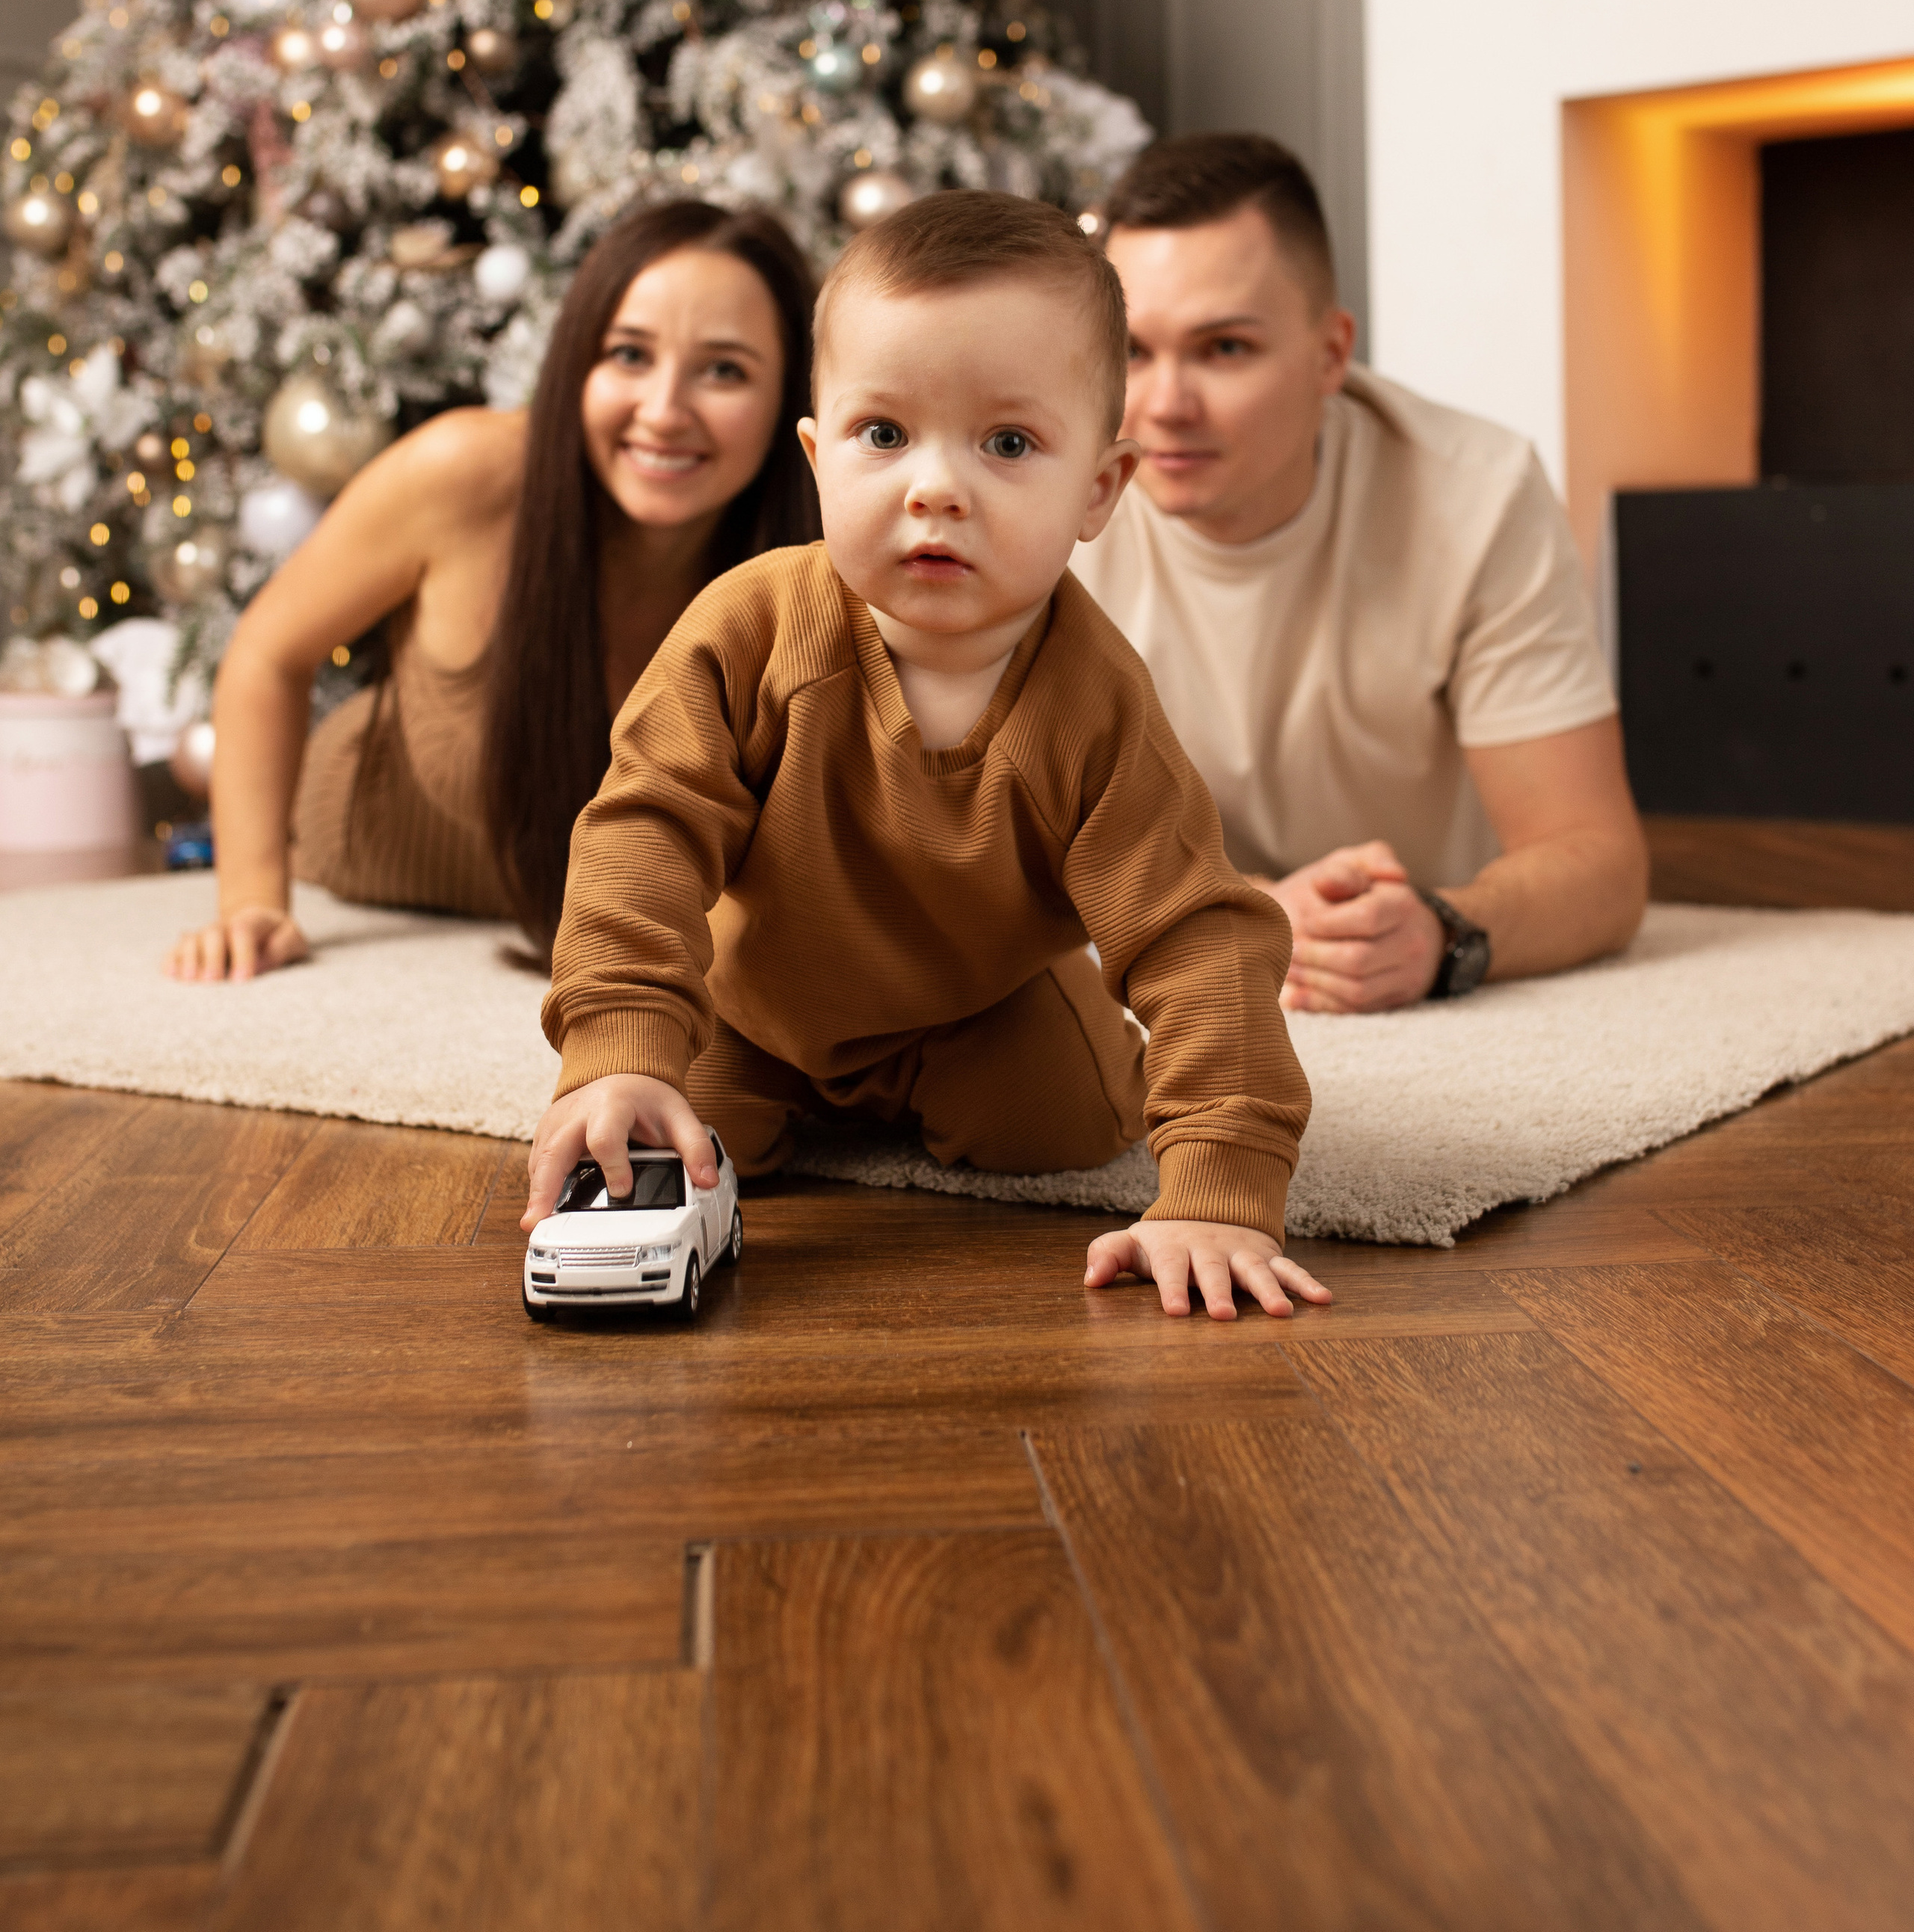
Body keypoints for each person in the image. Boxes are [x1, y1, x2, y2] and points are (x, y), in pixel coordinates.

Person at [523, 190, 1329, 1324]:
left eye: (1007, 443)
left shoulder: (1094, 704)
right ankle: (724, 1078)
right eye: (883, 435)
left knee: (1050, 1128)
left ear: (1099, 490)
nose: (933, 487)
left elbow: (1200, 933)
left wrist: (1220, 1189)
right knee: (672, 1132)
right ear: (818, 459)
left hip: (981, 1004)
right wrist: (618, 1042)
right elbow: (644, 827)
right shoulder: (750, 629)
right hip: (764, 1010)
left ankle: (1034, 1051)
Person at [167, 200, 819, 981]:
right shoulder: (465, 470)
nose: (664, 410)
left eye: (724, 369)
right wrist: (251, 900)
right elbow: (270, 650)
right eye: (629, 355)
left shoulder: (818, 562)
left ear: (789, 400)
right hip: (365, 835)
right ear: (577, 359)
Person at [1073, 132, 1647, 1014]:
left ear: (1331, 354)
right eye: (1135, 351)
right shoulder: (1051, 497)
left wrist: (1441, 928)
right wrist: (1252, 910)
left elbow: (1598, 861)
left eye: (1224, 347)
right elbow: (987, 852)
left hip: (1414, 929)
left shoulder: (1478, 494)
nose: (1164, 405)